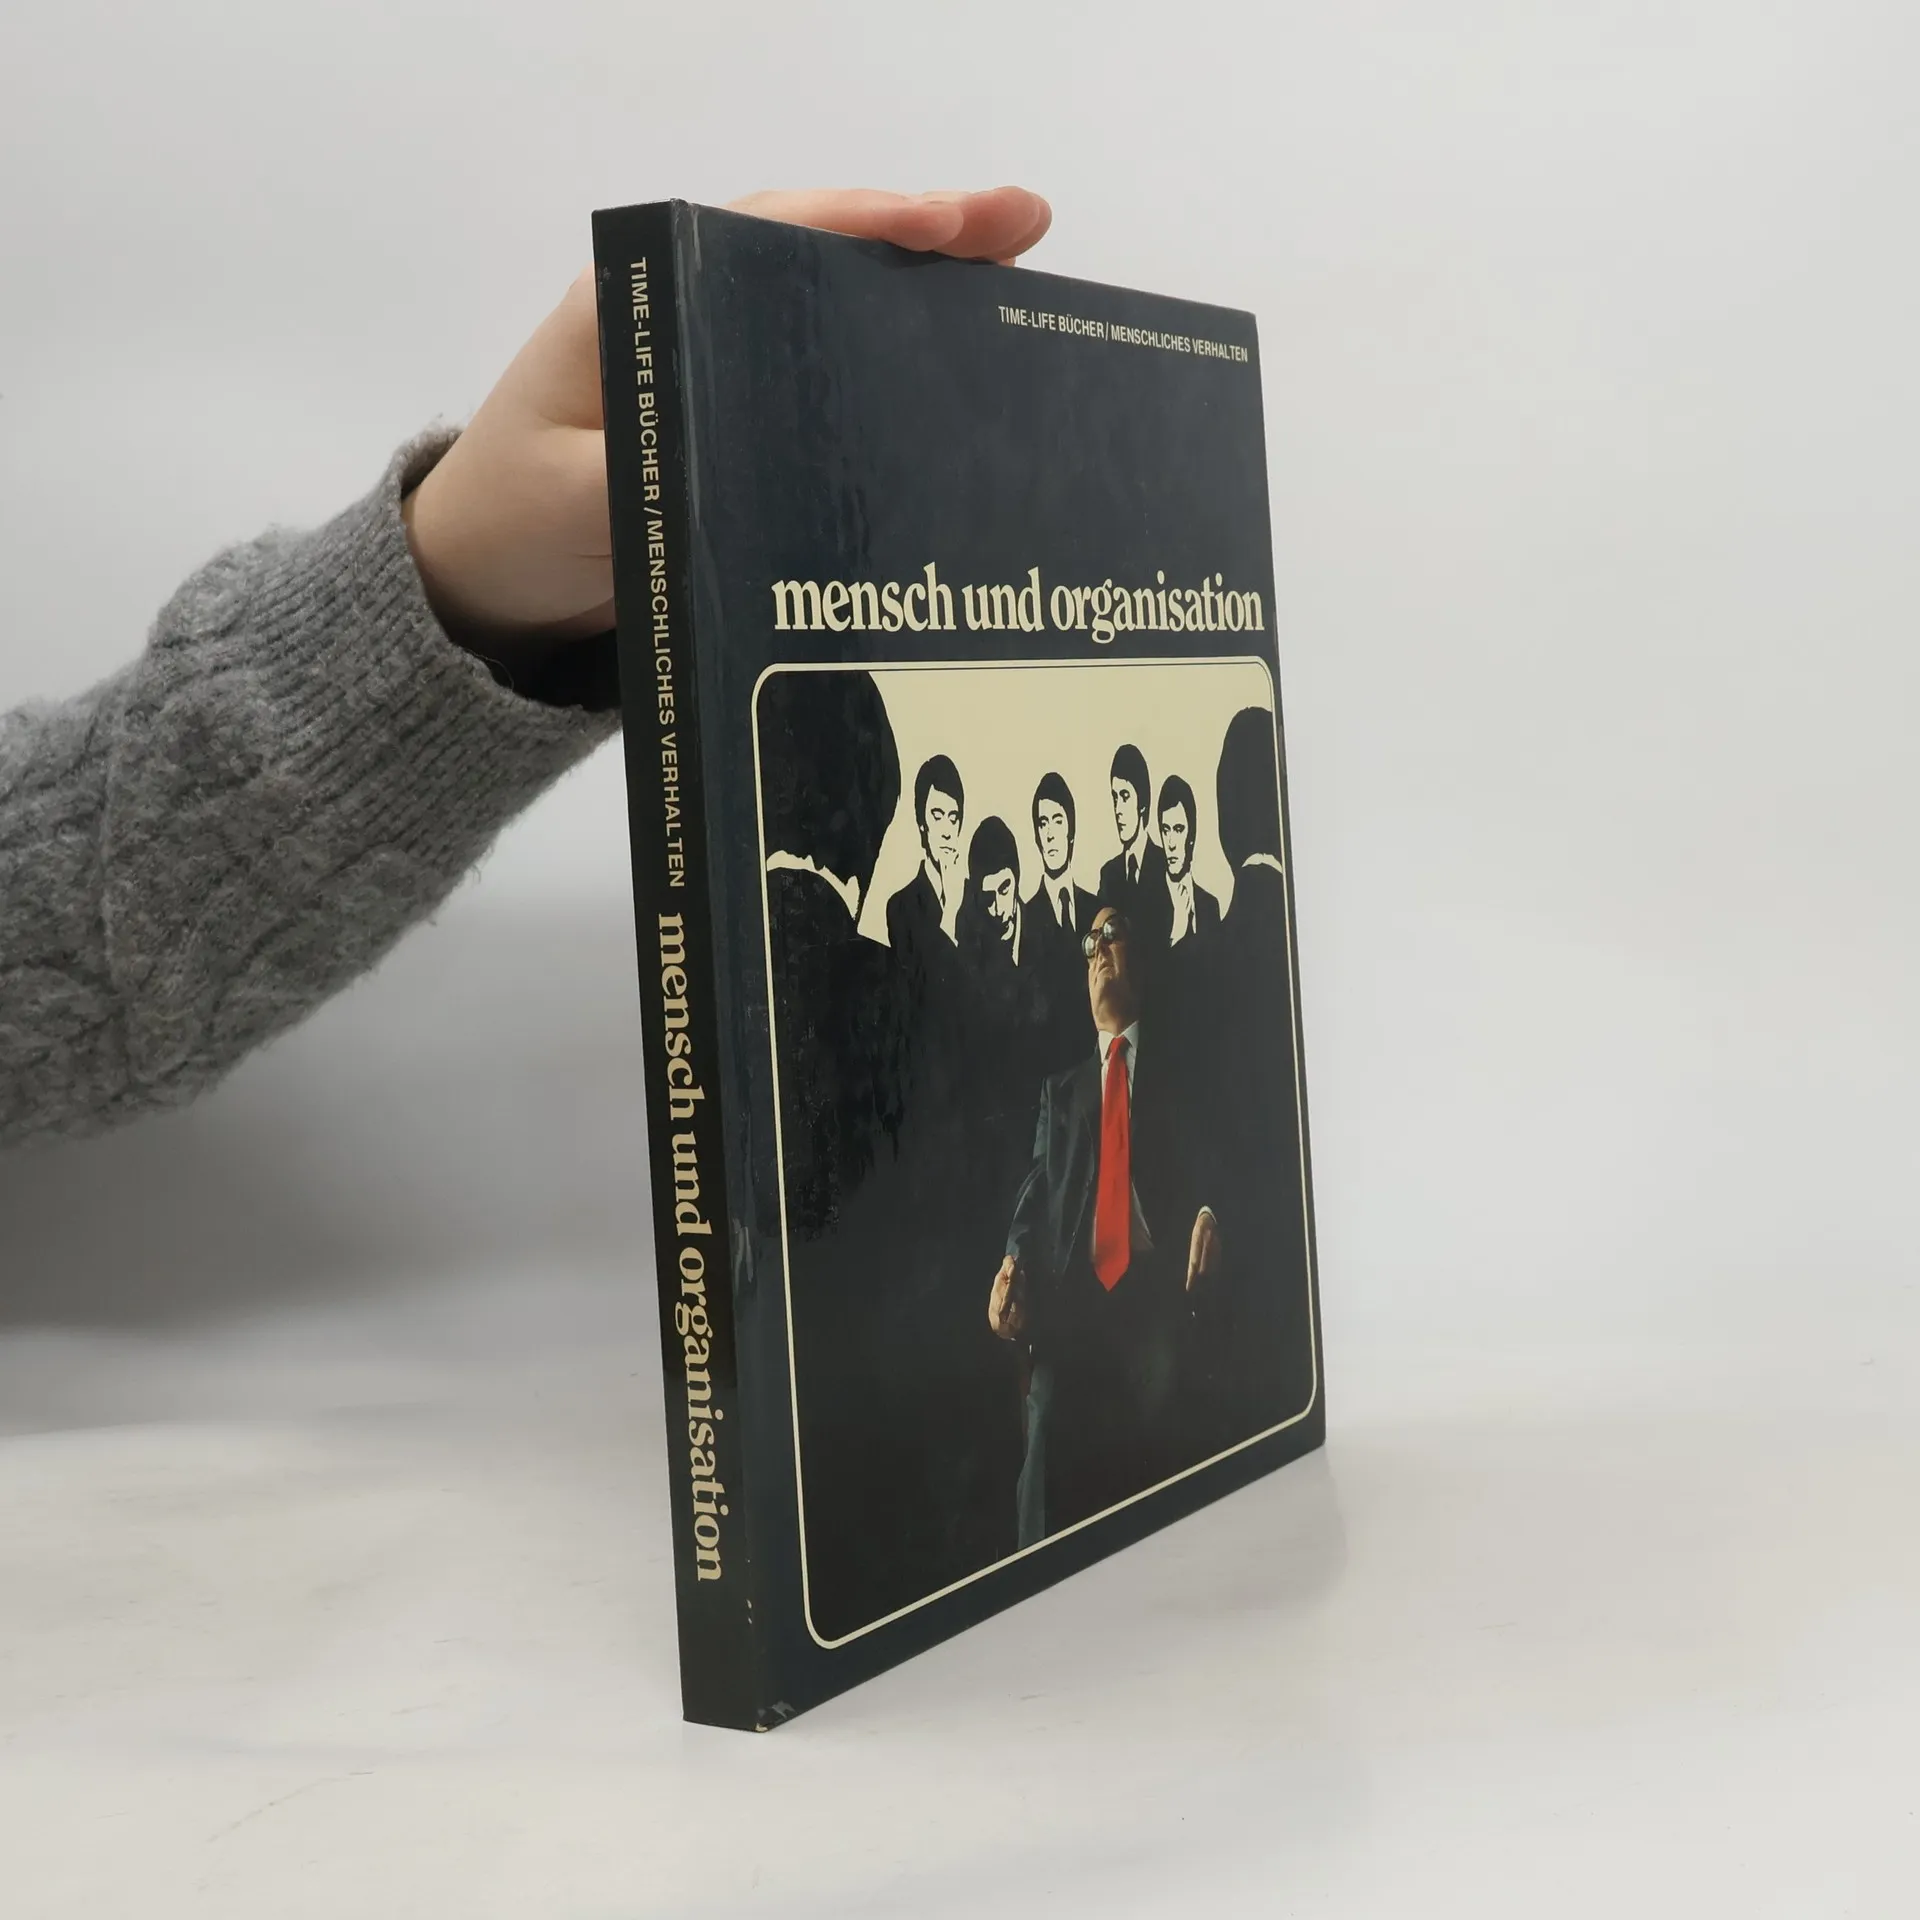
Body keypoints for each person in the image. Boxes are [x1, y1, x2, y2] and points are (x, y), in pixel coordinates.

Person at [0, 185, 1054, 1152]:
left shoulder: (985, 947)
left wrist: (457, 587)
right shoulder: (877, 935)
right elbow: (91, 941)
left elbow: (78, 915)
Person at [987, 905, 1223, 1546]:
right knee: (1043, 1470)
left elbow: (1215, 1164)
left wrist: (1209, 1215)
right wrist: (1012, 1267)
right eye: (1088, 941)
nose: (1096, 950)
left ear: (1140, 959)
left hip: (1157, 1296)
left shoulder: (1182, 1074)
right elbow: (1034, 1199)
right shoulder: (1060, 1094)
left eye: (1111, 934)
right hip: (1072, 1308)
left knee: (1171, 1461)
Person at [1096, 744, 1172, 953]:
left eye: (1125, 796)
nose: (1118, 809)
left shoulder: (1165, 864)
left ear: (1142, 802)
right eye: (1115, 798)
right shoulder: (1109, 874)